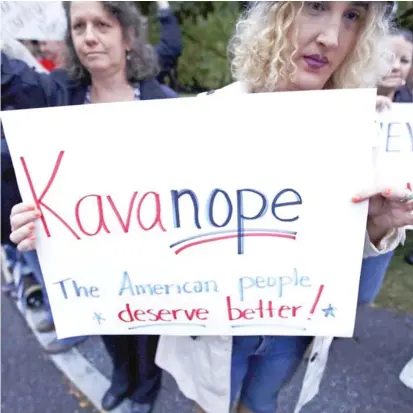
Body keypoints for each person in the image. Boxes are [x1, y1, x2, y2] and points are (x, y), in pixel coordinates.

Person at [154, 2, 413, 413]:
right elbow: (138, 226)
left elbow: (358, 279)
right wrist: (60, 231)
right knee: (209, 406)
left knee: (260, 404)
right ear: (275, 14)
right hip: (218, 326)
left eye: (352, 16)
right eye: (315, 7)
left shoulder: (361, 130)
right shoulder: (203, 119)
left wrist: (377, 225)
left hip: (296, 325)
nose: (330, 36)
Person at [2, 2, 177, 412]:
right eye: (78, 26)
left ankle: (146, 387)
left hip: (149, 252)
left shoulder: (165, 105)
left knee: (148, 328)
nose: (89, 36)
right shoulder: (56, 94)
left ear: (129, 36)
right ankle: (122, 376)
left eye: (102, 24)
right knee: (107, 322)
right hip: (88, 257)